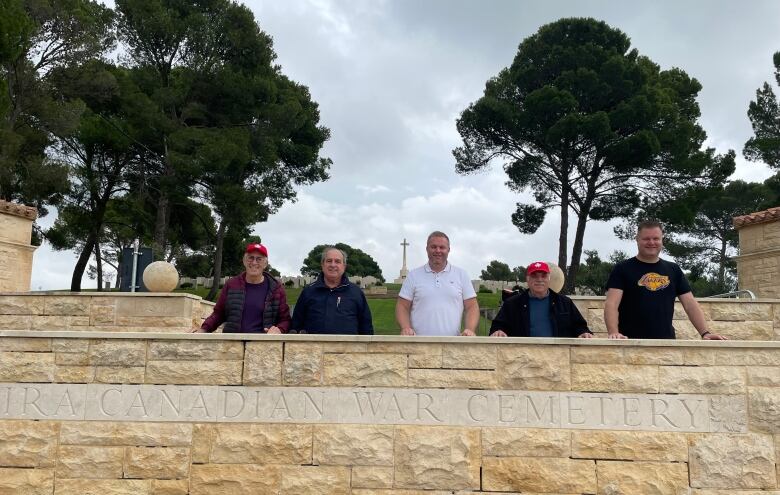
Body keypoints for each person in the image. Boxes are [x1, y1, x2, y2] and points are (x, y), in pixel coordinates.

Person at [604, 220, 726, 340]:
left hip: (666, 344)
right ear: (637, 239)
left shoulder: (673, 269)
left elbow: (690, 304)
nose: (651, 242)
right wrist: (614, 333)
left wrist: (705, 333)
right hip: (628, 342)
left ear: (662, 240)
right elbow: (612, 304)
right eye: (646, 239)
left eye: (656, 238)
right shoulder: (622, 268)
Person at [395, 231, 479, 336]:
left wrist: (470, 329)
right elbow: (402, 306)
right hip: (418, 343)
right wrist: (405, 327)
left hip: (452, 343)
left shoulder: (461, 275)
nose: (438, 250)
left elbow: (472, 306)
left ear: (449, 250)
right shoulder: (414, 275)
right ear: (427, 249)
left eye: (442, 247)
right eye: (433, 247)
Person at [193, 243, 290, 333]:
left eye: (259, 259)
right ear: (244, 261)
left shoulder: (276, 288)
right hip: (232, 345)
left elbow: (285, 319)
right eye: (250, 258)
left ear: (265, 264)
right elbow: (218, 314)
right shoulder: (231, 285)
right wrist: (203, 329)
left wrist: (279, 329)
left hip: (263, 346)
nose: (254, 262)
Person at [490, 261, 592, 338]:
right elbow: (498, 326)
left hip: (559, 358)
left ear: (549, 279)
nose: (539, 279)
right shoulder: (512, 304)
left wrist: (583, 333)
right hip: (522, 358)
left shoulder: (565, 302)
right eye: (534, 276)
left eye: (543, 276)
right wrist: (498, 331)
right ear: (528, 279)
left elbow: (580, 326)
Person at [291, 246, 373, 334]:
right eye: (329, 261)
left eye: (337, 261)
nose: (333, 265)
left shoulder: (356, 293)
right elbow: (296, 326)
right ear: (322, 265)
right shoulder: (308, 292)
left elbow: (366, 328)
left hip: (348, 347)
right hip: (314, 347)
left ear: (344, 266)